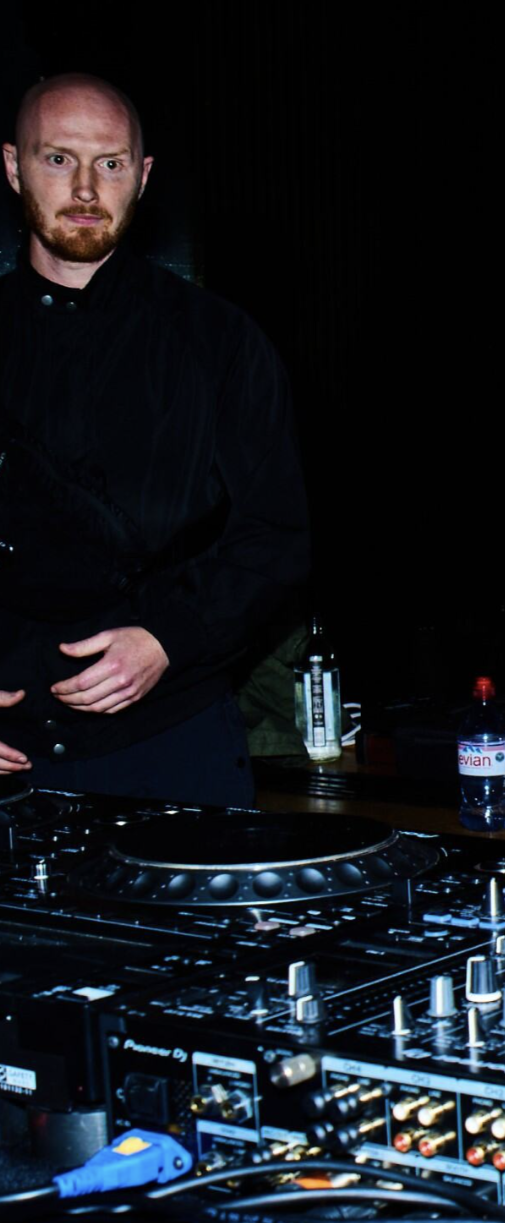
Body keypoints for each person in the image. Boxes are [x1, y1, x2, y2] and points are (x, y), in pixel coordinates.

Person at [0, 73, 308, 807]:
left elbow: (277, 536)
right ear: (13, 167)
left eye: (108, 163)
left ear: (141, 178)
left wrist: (169, 637)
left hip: (172, 745)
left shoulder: (220, 343)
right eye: (57, 159)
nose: (83, 188)